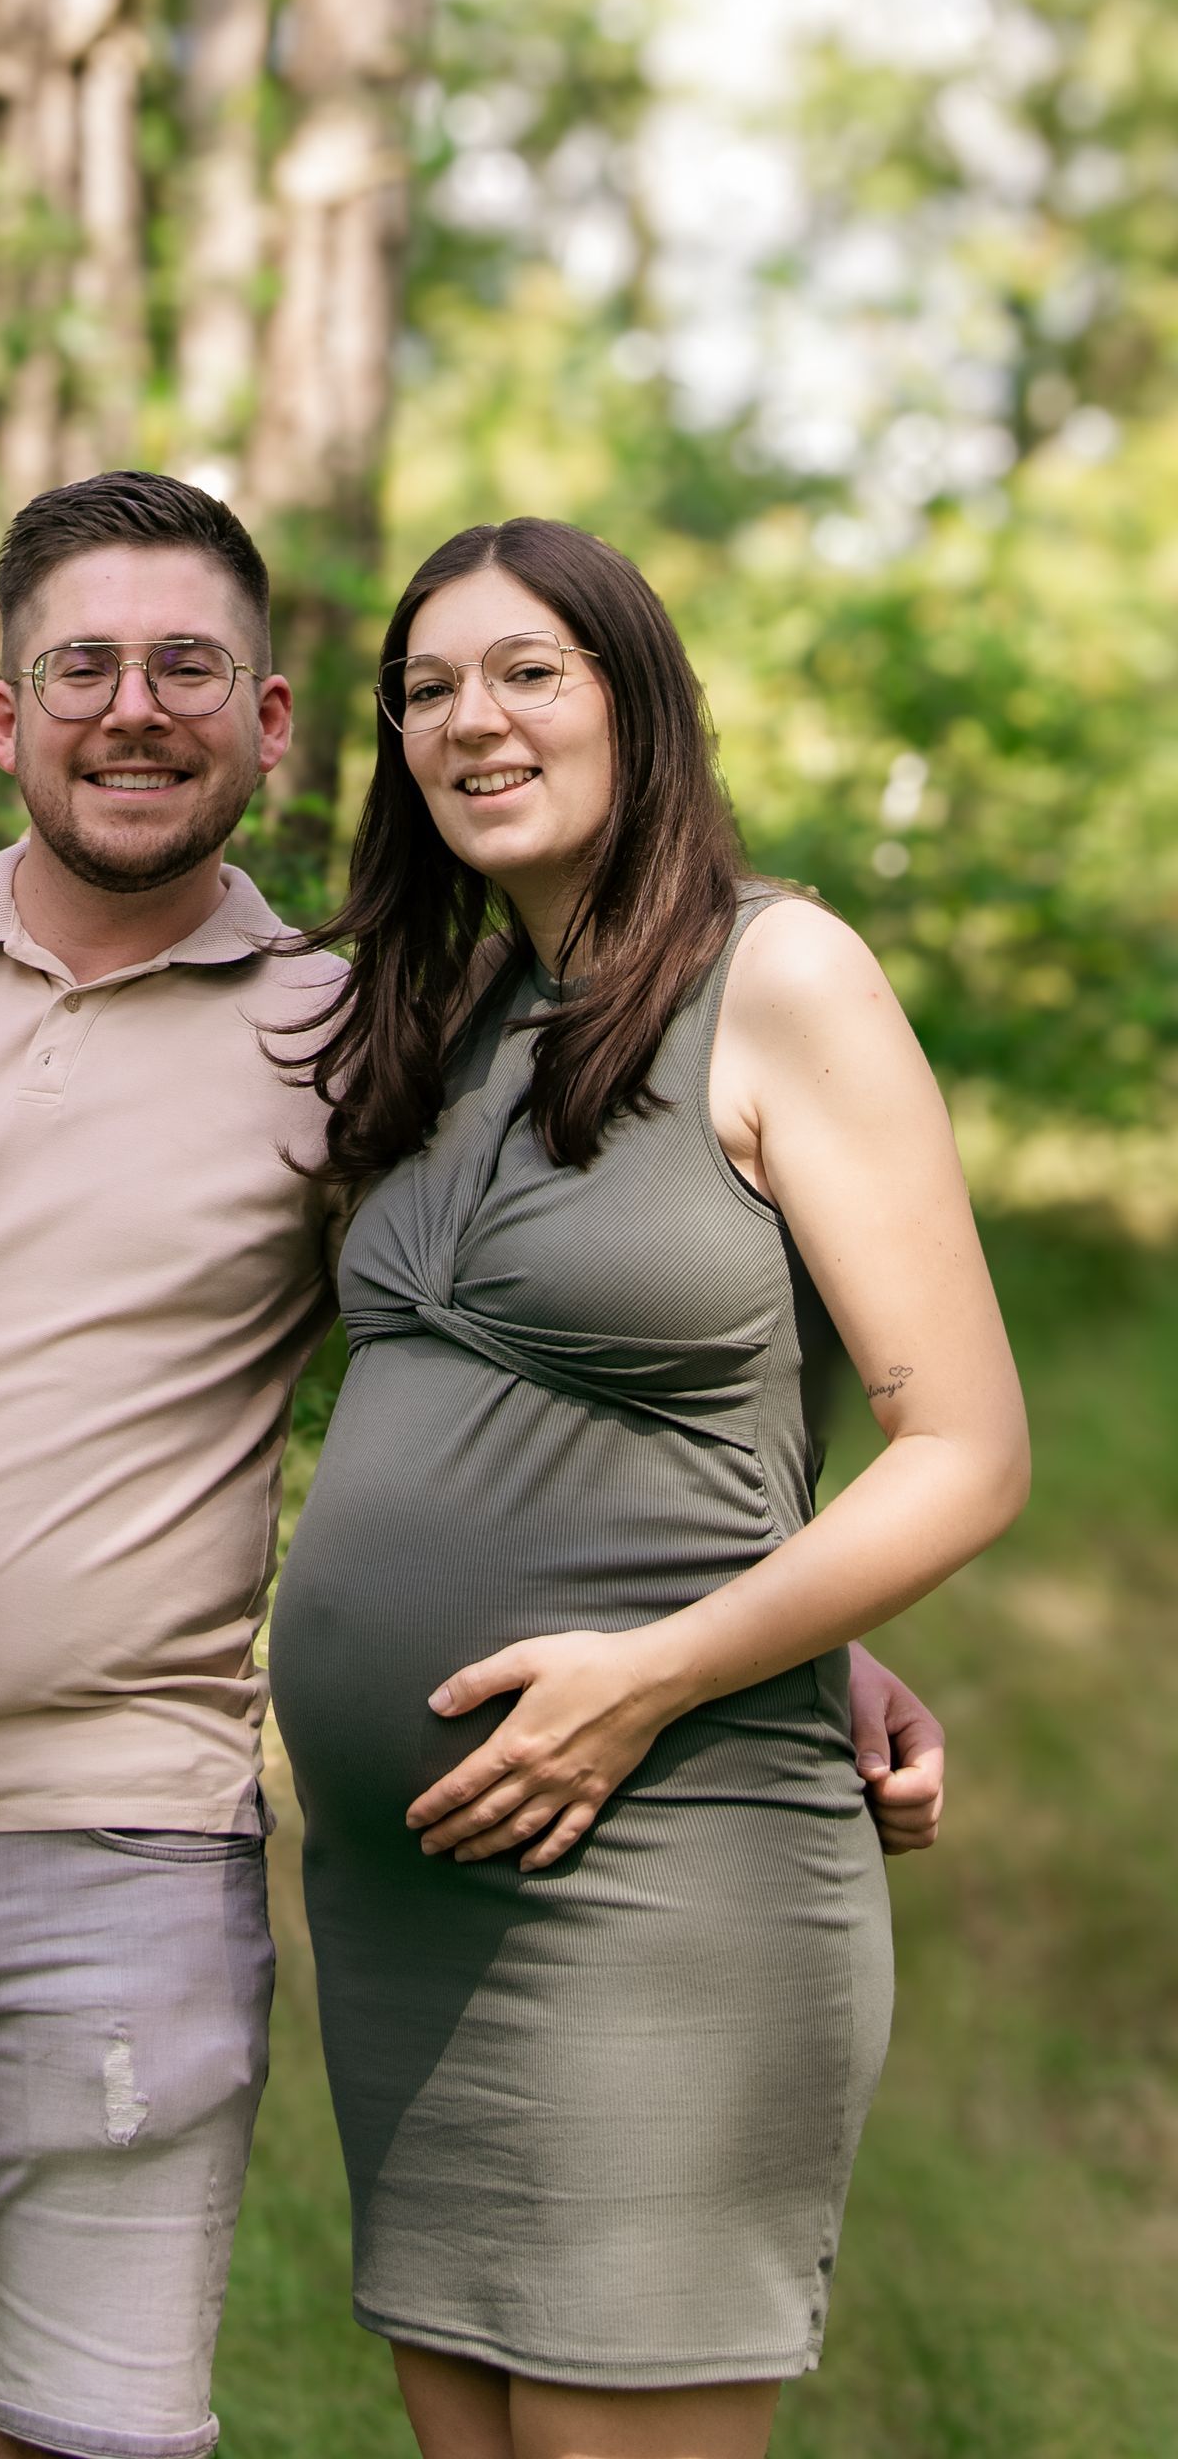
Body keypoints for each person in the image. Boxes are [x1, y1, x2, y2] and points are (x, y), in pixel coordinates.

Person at [0, 472, 950, 2459]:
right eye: (80, 668)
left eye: (189, 665)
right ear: (4, 716)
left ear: (272, 726)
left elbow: (574, 1337)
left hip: (125, 1853)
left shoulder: (363, 1034)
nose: (136, 708)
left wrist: (780, 1626)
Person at [268, 516, 1030, 2459]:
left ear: (639, 703)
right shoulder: (444, 1027)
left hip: (667, 1864)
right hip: (405, 1897)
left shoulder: (785, 976)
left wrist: (665, 1667)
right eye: (427, 688)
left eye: (529, 671)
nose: (471, 719)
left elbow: (967, 1451)